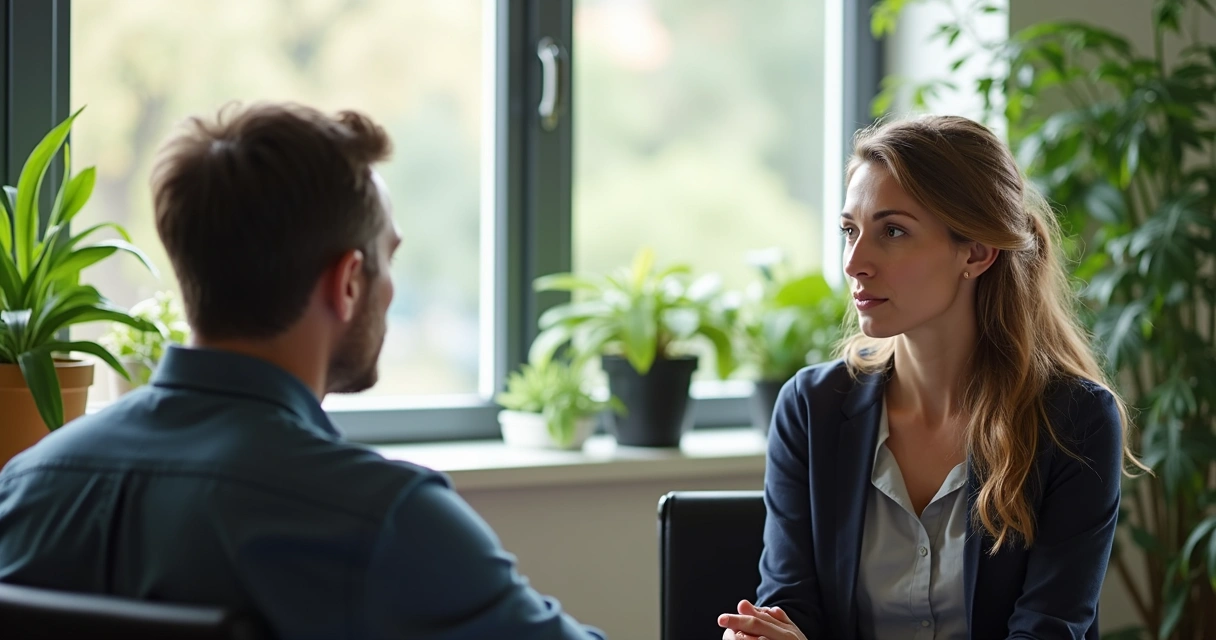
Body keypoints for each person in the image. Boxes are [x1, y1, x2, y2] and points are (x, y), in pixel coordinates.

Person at [0, 102, 604, 640]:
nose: (391, 288)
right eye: (388, 259)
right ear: (348, 282)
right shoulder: (384, 521)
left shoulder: (26, 487)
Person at [718, 115, 1137, 640]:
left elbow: (1045, 631)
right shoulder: (810, 407)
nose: (854, 263)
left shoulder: (1074, 421)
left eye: (892, 231)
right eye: (850, 231)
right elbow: (788, 607)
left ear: (976, 252)